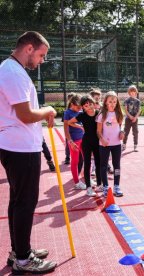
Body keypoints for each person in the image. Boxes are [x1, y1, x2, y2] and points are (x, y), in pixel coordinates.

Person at [0, 31, 57, 274]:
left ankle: (19, 251)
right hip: (20, 146)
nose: (42, 61)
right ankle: (23, 258)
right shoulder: (12, 72)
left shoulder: (11, 69)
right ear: (30, 48)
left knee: (18, 200)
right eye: (42, 55)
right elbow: (25, 115)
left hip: (17, 144)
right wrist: (48, 110)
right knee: (25, 202)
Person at [67, 95, 101, 196]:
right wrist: (80, 127)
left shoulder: (99, 114)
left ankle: (100, 184)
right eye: (86, 106)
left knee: (98, 162)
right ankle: (89, 188)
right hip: (86, 142)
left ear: (94, 104)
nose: (89, 107)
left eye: (90, 104)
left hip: (97, 141)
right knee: (87, 164)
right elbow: (70, 122)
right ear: (83, 107)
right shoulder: (82, 115)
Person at [97, 91, 125, 197]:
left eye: (114, 101)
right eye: (110, 101)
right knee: (103, 166)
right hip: (104, 144)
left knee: (117, 166)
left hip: (116, 144)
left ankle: (117, 186)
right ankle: (105, 187)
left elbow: (120, 126)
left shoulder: (119, 113)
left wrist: (122, 132)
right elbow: (98, 131)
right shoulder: (102, 115)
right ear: (105, 103)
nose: (112, 103)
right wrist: (102, 139)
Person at [64, 93, 86, 190]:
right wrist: (70, 141)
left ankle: (86, 177)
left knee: (87, 159)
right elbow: (66, 129)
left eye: (81, 107)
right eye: (78, 107)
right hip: (74, 141)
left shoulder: (81, 111)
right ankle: (77, 182)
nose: (79, 108)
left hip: (83, 139)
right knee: (75, 161)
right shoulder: (67, 113)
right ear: (72, 104)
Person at [122, 85, 141, 152]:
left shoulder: (138, 101)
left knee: (135, 132)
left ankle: (135, 146)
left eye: (134, 92)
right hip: (128, 119)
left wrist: (135, 117)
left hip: (135, 120)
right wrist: (130, 116)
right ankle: (124, 144)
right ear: (129, 92)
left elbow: (139, 110)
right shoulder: (126, 100)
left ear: (136, 92)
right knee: (126, 132)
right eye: (131, 92)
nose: (132, 93)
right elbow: (125, 110)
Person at [62, 92, 76, 165]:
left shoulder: (78, 111)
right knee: (68, 145)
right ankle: (67, 157)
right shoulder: (67, 112)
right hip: (69, 132)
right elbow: (65, 123)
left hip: (77, 132)